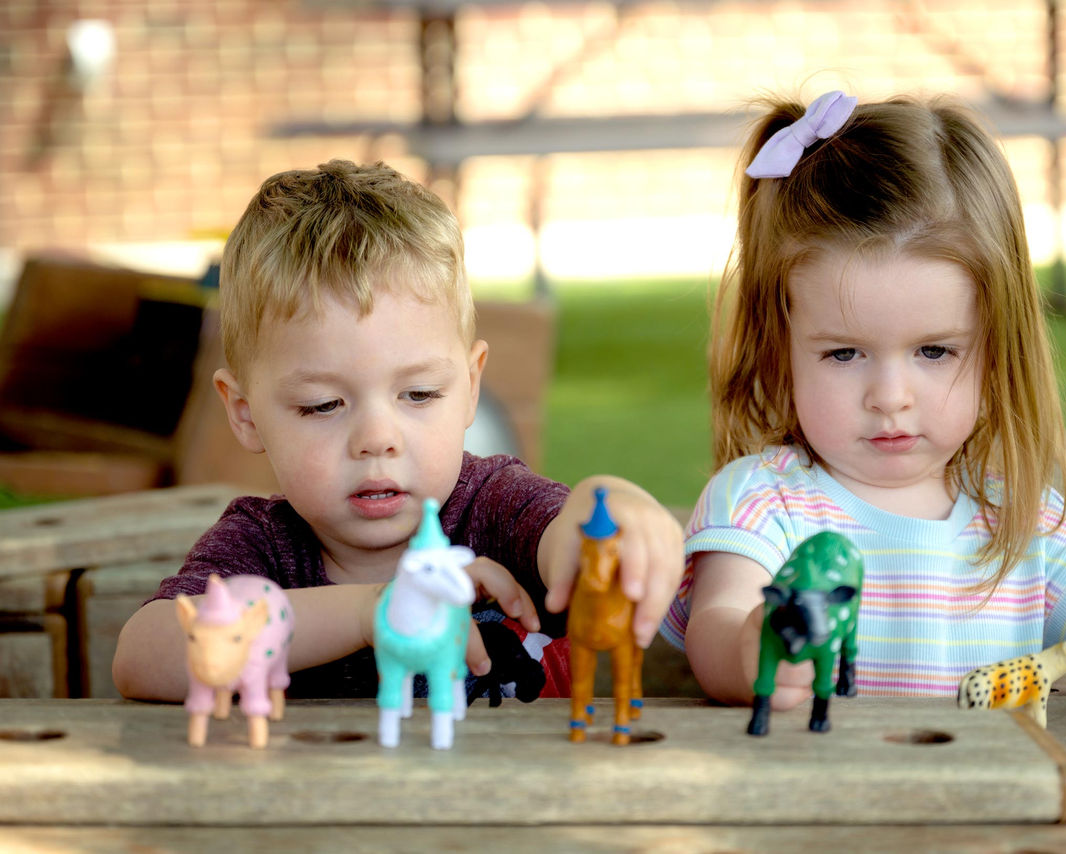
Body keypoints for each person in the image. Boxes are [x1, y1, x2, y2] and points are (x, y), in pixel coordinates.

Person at [659, 91, 1066, 710]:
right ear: (776, 347)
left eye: (935, 352)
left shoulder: (1027, 522)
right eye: (843, 354)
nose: (890, 398)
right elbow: (719, 624)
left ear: (998, 349)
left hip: (994, 806)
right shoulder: (762, 502)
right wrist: (753, 649)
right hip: (820, 802)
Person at [113, 159, 683, 702]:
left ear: (470, 385)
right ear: (245, 412)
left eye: (419, 395)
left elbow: (568, 542)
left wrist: (606, 507)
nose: (378, 438)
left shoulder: (494, 508)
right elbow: (144, 656)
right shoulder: (263, 549)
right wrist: (373, 612)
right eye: (323, 405)